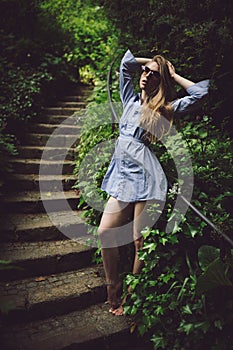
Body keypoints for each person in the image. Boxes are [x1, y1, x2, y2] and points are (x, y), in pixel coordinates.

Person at [98, 49, 209, 316]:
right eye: (145, 72)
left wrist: (171, 73)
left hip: (148, 179)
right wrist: (150, 61)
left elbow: (201, 92)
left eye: (153, 74)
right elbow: (125, 65)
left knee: (139, 242)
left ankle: (130, 296)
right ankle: (113, 285)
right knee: (105, 233)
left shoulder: (165, 109)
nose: (146, 75)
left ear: (161, 81)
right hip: (123, 177)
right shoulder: (130, 100)